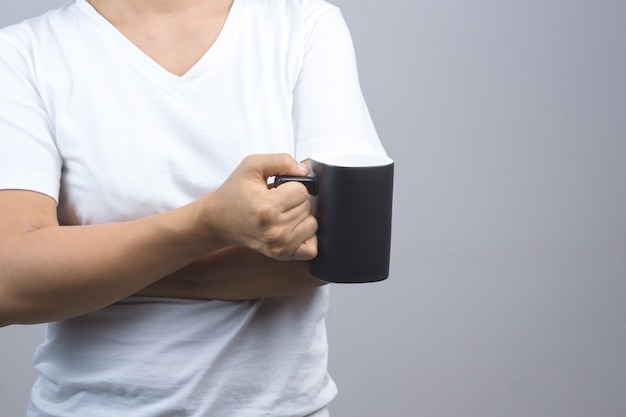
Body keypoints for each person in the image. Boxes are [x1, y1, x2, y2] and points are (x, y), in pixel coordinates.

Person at [0, 0, 387, 415]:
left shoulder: (304, 24)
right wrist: (208, 224)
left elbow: (335, 252)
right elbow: (10, 286)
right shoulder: (23, 53)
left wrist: (84, 272)